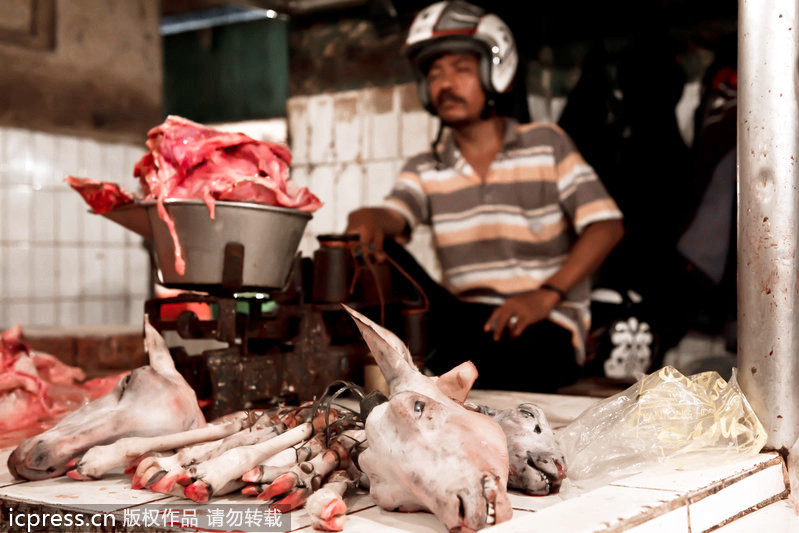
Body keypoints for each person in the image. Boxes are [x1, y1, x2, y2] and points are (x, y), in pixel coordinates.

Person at [346, 0, 624, 392]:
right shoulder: (426, 165)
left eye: (461, 69)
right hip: (466, 326)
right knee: (376, 254)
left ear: (497, 69)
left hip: (545, 326)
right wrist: (371, 217)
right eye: (435, 73)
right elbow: (395, 217)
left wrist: (546, 295)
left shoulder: (545, 142)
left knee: (507, 358)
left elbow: (606, 226)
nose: (445, 83)